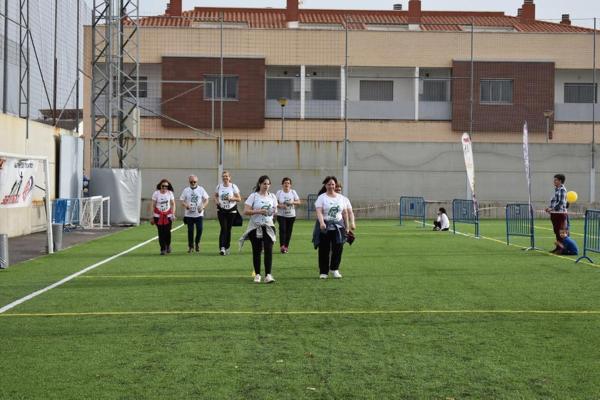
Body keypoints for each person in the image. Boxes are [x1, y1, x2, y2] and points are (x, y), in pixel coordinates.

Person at [240, 175, 278, 283]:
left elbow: (275, 211)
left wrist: (273, 212)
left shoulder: (273, 197)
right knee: (256, 251)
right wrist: (259, 211)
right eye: (264, 183)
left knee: (268, 250)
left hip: (268, 226)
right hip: (255, 226)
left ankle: (268, 275)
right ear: (260, 184)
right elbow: (246, 211)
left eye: (268, 184)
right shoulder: (254, 196)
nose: (266, 186)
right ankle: (257, 274)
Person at [313, 176, 349, 279]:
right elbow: (319, 211)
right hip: (325, 226)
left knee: (338, 248)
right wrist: (321, 223)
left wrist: (347, 226)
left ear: (335, 185)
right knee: (324, 249)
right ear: (325, 185)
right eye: (329, 184)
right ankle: (323, 272)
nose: (331, 186)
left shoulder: (341, 198)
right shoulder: (322, 197)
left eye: (333, 184)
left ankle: (334, 269)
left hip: (339, 226)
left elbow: (345, 213)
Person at [214, 170, 242, 256]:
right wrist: (217, 202)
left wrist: (232, 199)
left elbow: (239, 199)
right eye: (223, 176)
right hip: (221, 210)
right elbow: (215, 196)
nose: (225, 178)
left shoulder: (233, 186)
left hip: (231, 211)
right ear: (222, 178)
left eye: (227, 176)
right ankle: (222, 248)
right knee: (223, 228)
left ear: (230, 177)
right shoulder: (219, 187)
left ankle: (227, 247)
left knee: (228, 229)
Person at [180, 175, 209, 253]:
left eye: (194, 182)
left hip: (198, 214)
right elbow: (182, 200)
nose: (193, 183)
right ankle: (190, 246)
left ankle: (197, 243)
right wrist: (186, 205)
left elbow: (206, 199)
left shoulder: (201, 189)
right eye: (191, 182)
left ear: (197, 181)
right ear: (189, 181)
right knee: (190, 230)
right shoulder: (186, 190)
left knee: (200, 229)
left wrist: (202, 207)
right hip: (189, 214)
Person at [151, 179, 176, 255]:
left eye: (166, 186)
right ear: (160, 186)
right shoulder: (156, 193)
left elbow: (173, 204)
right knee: (161, 232)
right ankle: (163, 249)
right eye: (163, 186)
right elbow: (153, 205)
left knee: (167, 232)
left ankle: (168, 245)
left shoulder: (170, 193)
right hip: (158, 216)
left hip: (168, 215)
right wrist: (151, 216)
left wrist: (173, 214)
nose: (165, 188)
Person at [276, 177, 301, 253]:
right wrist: (281, 206)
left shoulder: (293, 192)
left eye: (288, 183)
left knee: (289, 231)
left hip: (291, 215)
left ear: (290, 185)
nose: (286, 184)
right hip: (281, 215)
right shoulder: (279, 192)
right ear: (282, 184)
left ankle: (286, 246)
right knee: (282, 229)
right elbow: (275, 203)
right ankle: (282, 246)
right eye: (285, 183)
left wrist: (292, 202)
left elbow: (299, 202)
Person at [545, 174, 567, 252]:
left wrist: (552, 208)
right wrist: (549, 208)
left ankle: (563, 248)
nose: (554, 181)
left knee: (561, 231)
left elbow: (561, 202)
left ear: (560, 181)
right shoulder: (556, 189)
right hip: (555, 213)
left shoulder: (562, 189)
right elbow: (554, 201)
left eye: (556, 180)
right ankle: (558, 247)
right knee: (556, 231)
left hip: (560, 213)